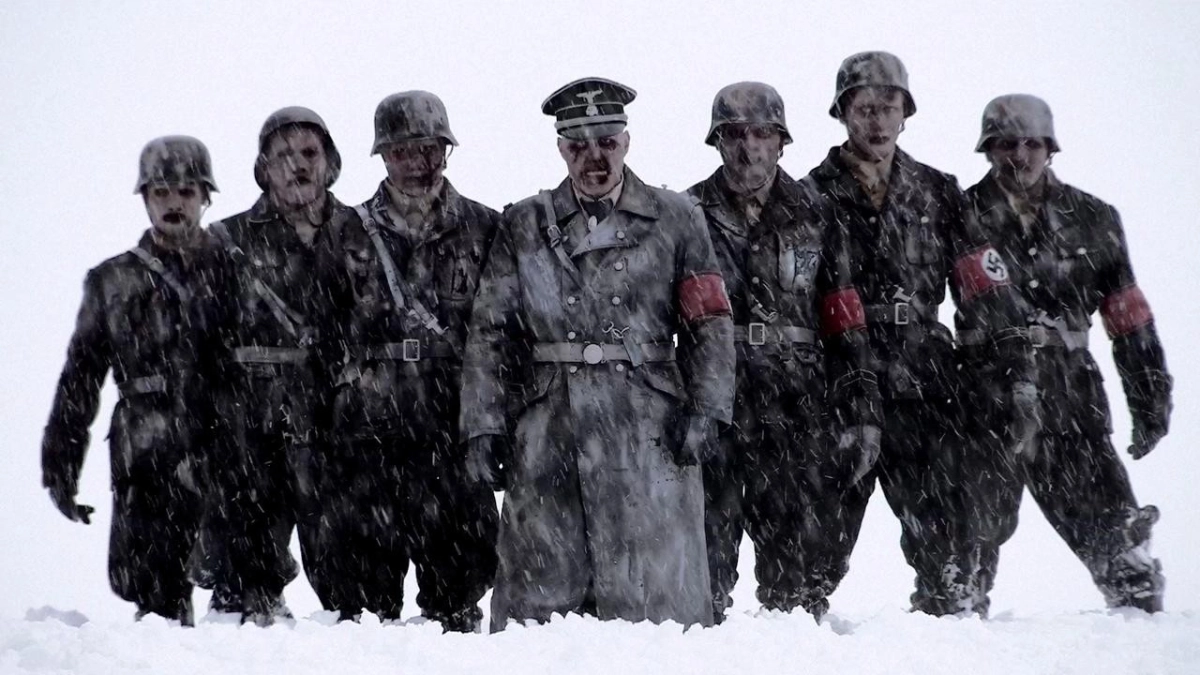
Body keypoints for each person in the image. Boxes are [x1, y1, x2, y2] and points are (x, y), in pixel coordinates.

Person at [461, 77, 736, 631]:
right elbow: (491, 331)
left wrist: (708, 410)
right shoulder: (525, 224)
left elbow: (708, 322)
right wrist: (483, 425)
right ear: (560, 149)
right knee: (543, 606)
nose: (594, 158)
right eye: (578, 145)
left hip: (648, 425)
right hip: (550, 426)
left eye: (607, 142)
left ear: (627, 142)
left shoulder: (677, 217)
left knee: (656, 606)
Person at [806, 52, 1038, 615]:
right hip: (839, 383)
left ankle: (949, 631)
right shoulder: (810, 194)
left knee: (946, 544)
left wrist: (1017, 373)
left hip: (925, 384)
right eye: (865, 108)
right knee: (814, 547)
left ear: (906, 113)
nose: (877, 121)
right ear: (843, 113)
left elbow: (985, 290)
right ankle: (794, 634)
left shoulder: (938, 192)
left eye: (888, 107)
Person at [960, 94, 1171, 614]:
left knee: (1123, 554)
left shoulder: (1094, 219)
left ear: (1050, 148)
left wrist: (1148, 396)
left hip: (1071, 398)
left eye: (1031, 143)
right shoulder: (959, 214)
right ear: (988, 149)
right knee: (960, 563)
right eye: (1006, 144)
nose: (1019, 155)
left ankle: (1142, 640)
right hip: (985, 398)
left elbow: (1128, 318)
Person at [685, 81, 880, 623]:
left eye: (761, 134)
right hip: (714, 405)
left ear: (781, 141)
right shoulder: (686, 212)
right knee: (702, 574)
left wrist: (862, 411)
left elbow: (845, 321)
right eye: (734, 134)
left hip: (795, 410)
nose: (748, 147)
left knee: (795, 580)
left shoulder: (818, 213)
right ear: (717, 141)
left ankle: (794, 649)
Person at [317, 91, 500, 632]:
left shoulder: (484, 228)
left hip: (452, 427)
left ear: (447, 150)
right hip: (366, 433)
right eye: (403, 151)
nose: (419, 163)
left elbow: (502, 334)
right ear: (383, 156)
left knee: (459, 594)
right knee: (363, 606)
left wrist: (496, 422)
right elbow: (322, 337)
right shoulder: (343, 231)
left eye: (430, 149)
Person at [40, 136, 233, 625]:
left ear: (205, 197)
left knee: (238, 597)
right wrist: (61, 465)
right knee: (153, 597)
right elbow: (80, 378)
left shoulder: (236, 268)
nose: (174, 203)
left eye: (186, 191)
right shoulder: (112, 280)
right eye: (161, 191)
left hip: (225, 445)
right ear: (145, 198)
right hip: (145, 451)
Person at [194, 107, 344, 625]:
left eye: (309, 153)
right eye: (282, 156)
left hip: (337, 412)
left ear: (330, 163)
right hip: (247, 419)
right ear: (263, 168)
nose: (297, 165)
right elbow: (197, 345)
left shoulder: (359, 232)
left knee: (352, 576)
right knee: (243, 581)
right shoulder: (224, 240)